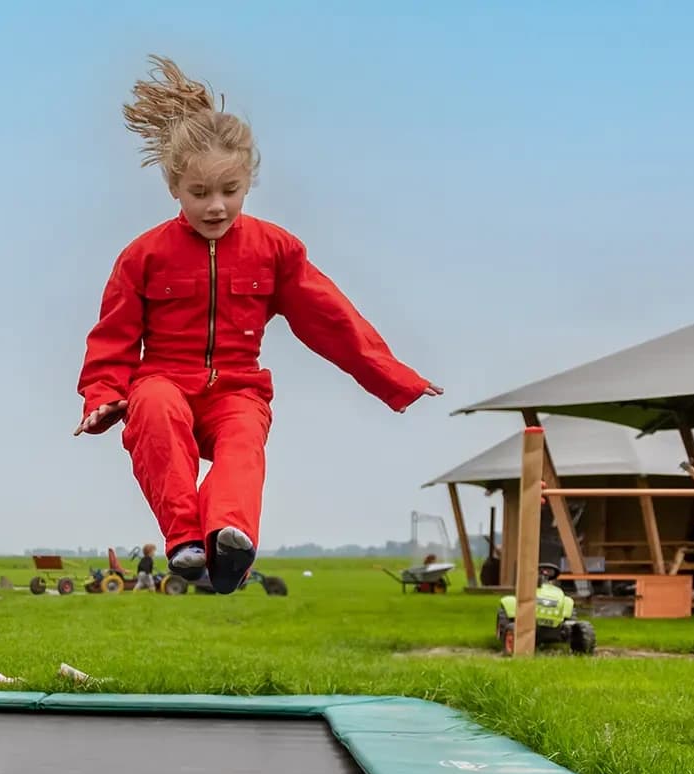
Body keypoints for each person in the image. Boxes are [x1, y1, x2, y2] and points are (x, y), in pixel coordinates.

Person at [73, 56, 443, 593]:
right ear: (174, 186)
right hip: (165, 379)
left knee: (243, 443)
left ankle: (229, 538)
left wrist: (394, 376)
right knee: (152, 406)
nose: (216, 206)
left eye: (230, 191)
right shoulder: (143, 257)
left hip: (237, 386)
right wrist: (102, 396)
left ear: (248, 182)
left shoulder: (276, 251)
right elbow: (112, 338)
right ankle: (185, 542)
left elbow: (332, 319)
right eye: (200, 193)